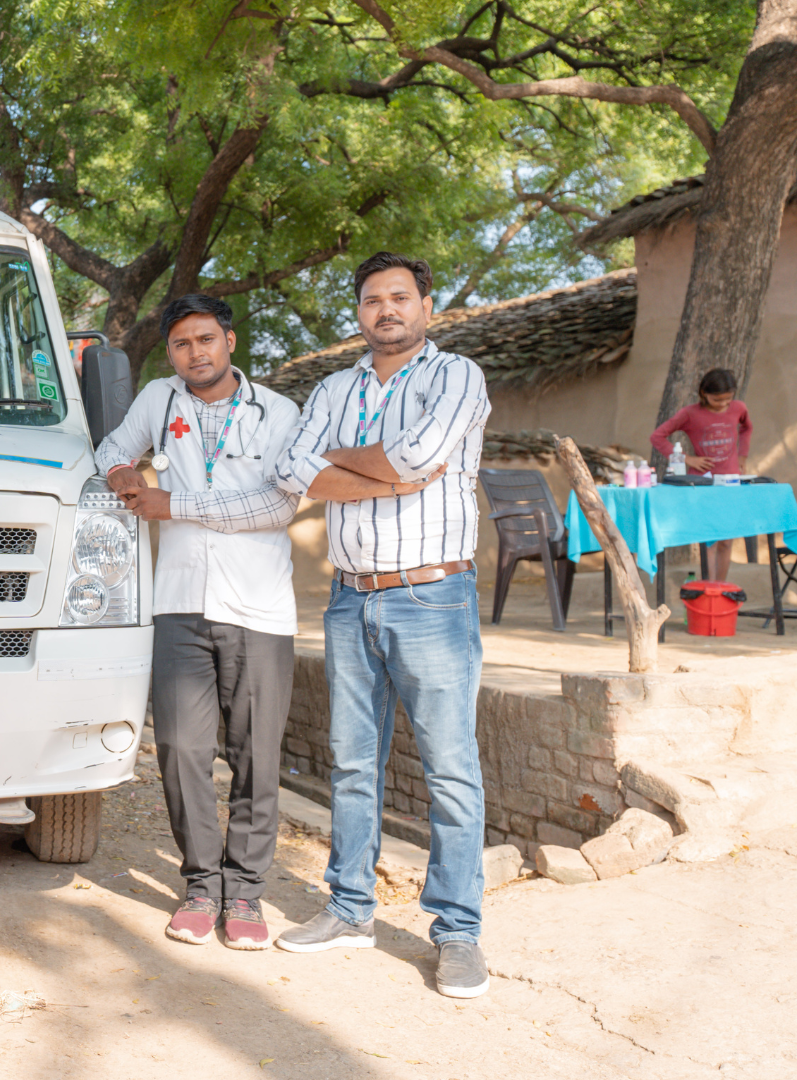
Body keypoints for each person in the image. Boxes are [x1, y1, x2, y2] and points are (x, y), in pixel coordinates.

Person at [271, 251, 491, 999]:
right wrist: (383, 469)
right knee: (351, 762)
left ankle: (458, 932)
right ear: (359, 312)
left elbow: (423, 456)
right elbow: (288, 470)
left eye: (400, 297)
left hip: (431, 597)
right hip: (350, 596)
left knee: (450, 770)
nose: (386, 310)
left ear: (426, 306)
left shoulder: (457, 376)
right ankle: (350, 908)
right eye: (372, 300)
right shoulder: (335, 386)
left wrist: (335, 464)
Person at [94, 294, 302, 951]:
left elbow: (278, 504)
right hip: (179, 601)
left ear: (231, 341)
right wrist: (125, 473)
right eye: (182, 344)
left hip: (259, 606)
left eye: (206, 339)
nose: (195, 353)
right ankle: (200, 886)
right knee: (182, 750)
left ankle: (244, 894)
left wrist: (172, 502)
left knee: (254, 753)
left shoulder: (279, 412)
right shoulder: (160, 398)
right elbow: (110, 449)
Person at [651, 368, 752, 580]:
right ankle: (709, 586)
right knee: (709, 539)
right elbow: (658, 436)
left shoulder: (738, 408)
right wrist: (686, 459)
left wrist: (742, 455)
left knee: (727, 539)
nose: (723, 404)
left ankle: (721, 587)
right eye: (717, 399)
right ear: (703, 393)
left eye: (728, 399)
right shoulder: (690, 413)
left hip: (730, 482)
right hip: (703, 484)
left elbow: (746, 428)